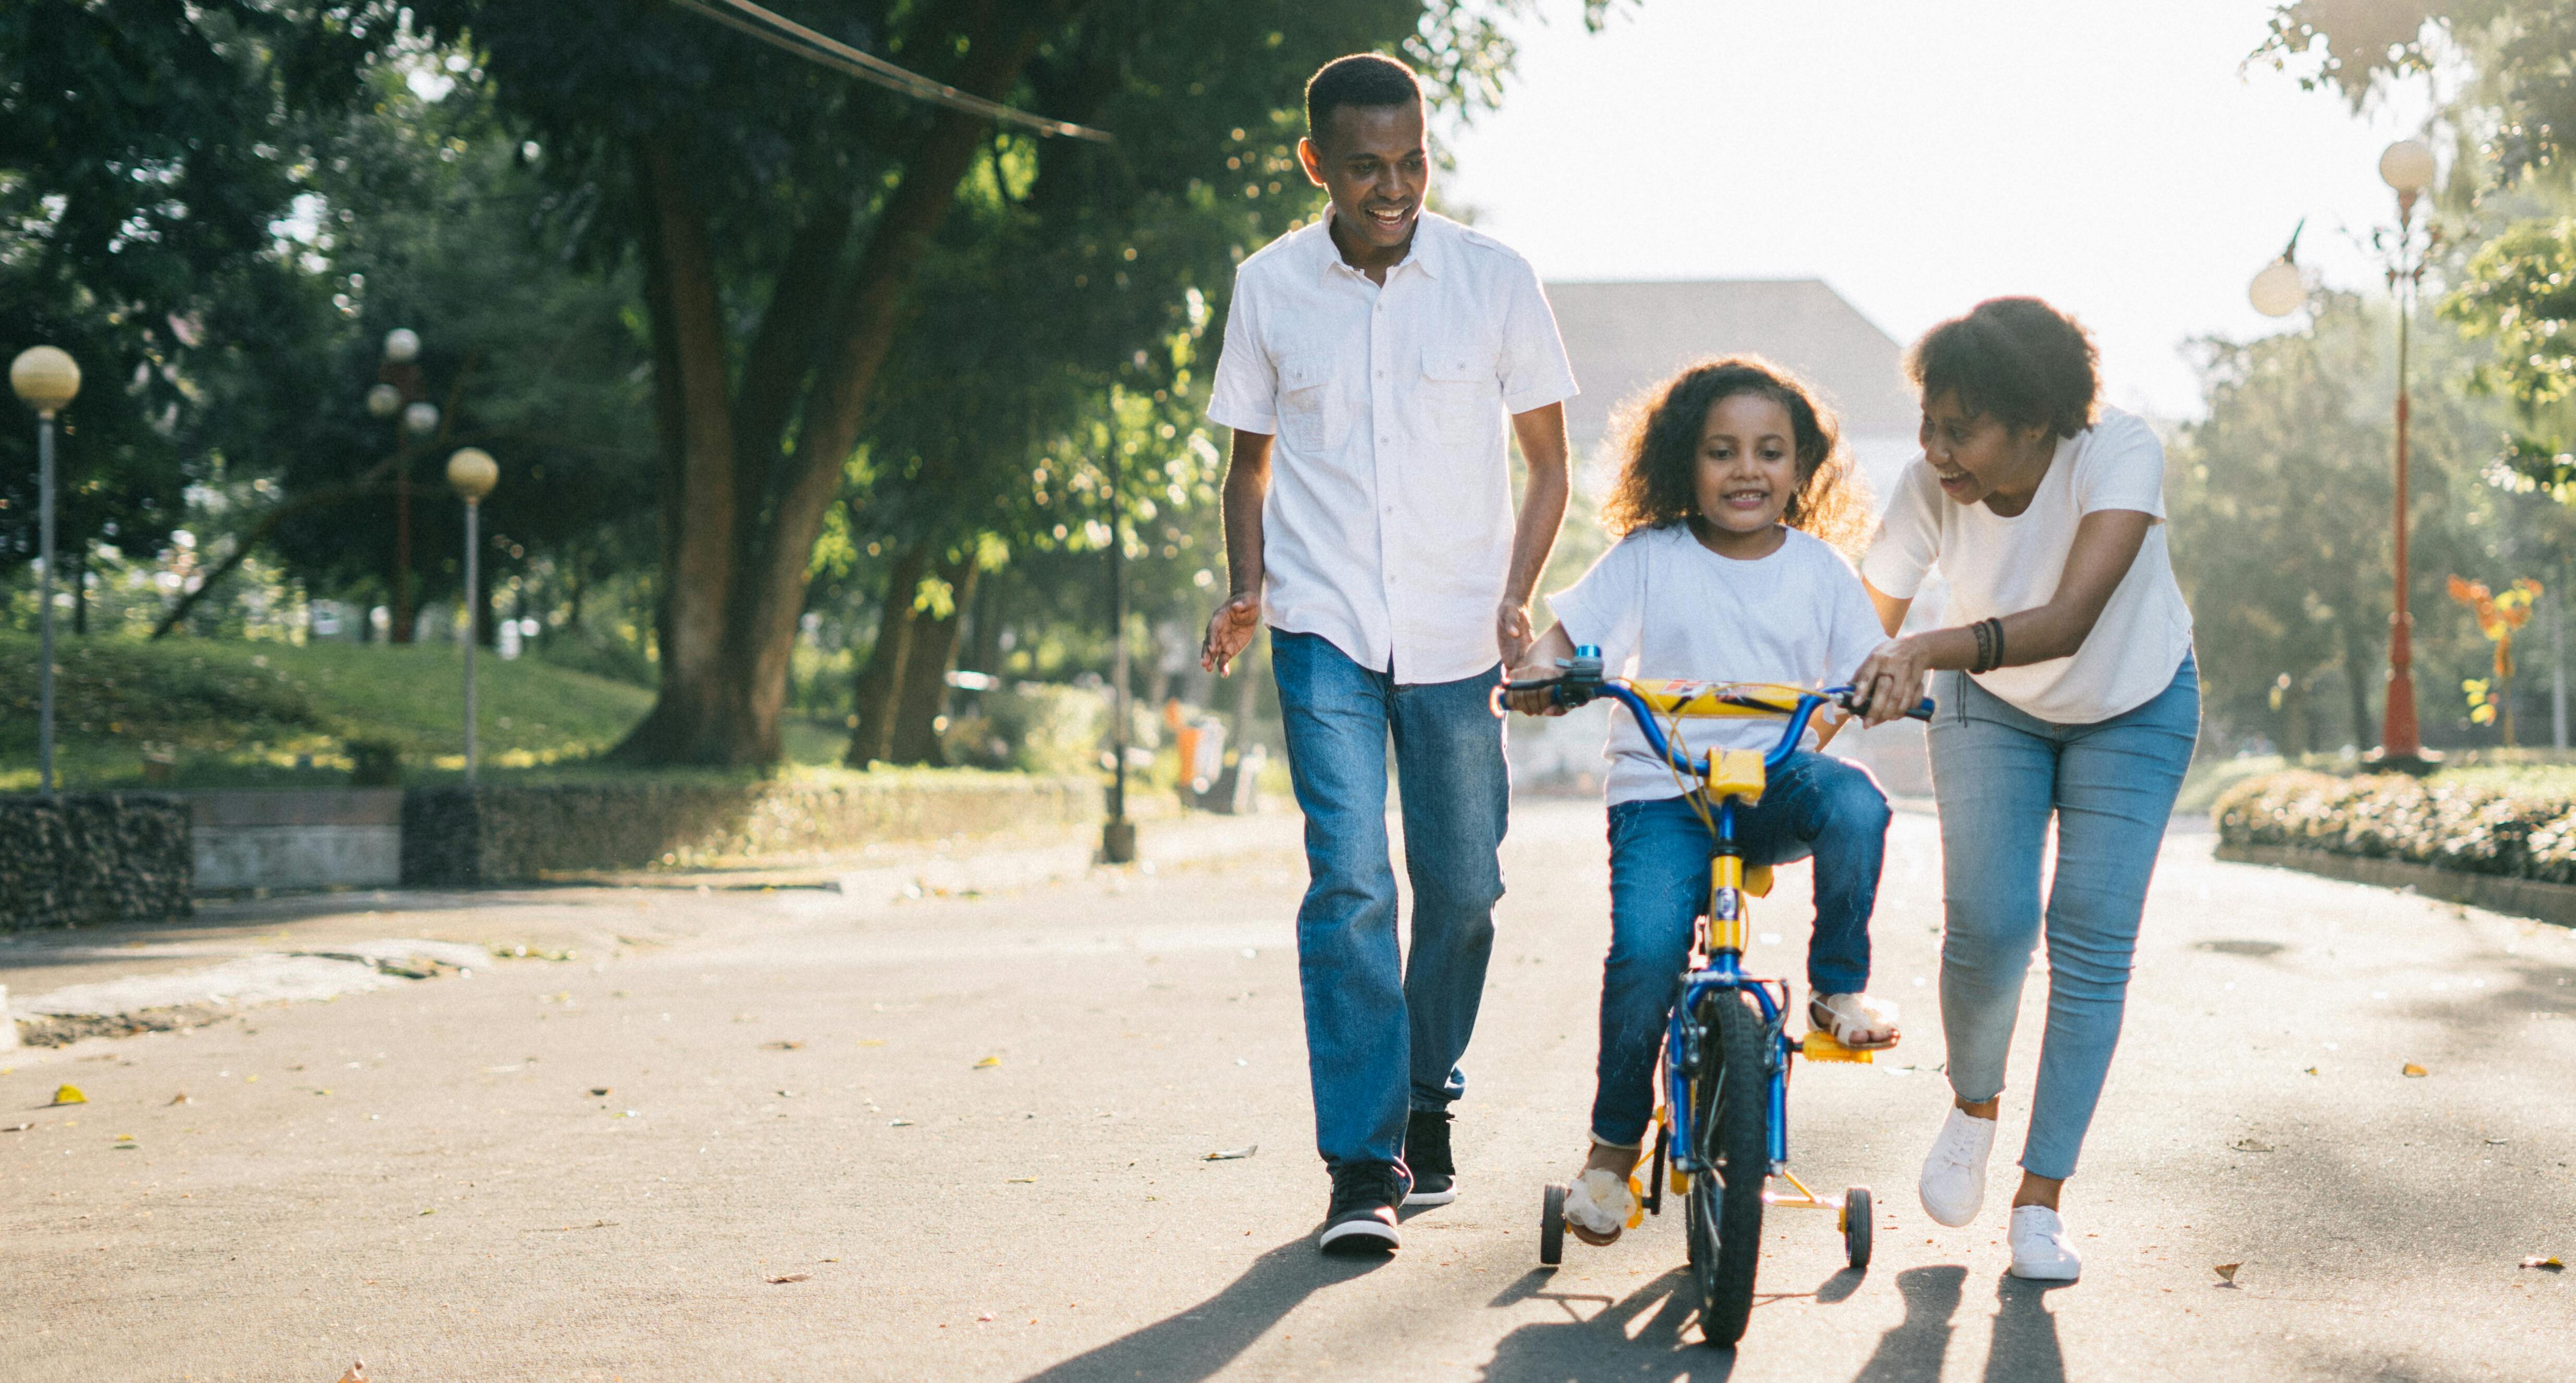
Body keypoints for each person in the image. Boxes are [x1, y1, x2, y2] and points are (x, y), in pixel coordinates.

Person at [1196, 52, 1578, 1254]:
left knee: (1463, 890)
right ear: (1316, 163)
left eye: (1410, 161)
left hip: (1460, 631)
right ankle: (1363, 1164)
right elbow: (1247, 463)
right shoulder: (1267, 287)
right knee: (1352, 881)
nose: (1393, 187)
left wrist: (1518, 596)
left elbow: (1549, 463)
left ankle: (1426, 1095)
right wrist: (1248, 588)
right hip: (1322, 628)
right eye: (1365, 167)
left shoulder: (1493, 279)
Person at [1505, 356, 1898, 1245]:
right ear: (1685, 461)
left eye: (1770, 452)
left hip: (1771, 783)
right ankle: (1610, 1152)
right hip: (1663, 793)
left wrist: (1882, 686)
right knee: (1645, 952)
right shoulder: (1648, 558)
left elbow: (1867, 666)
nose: (1746, 470)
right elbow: (1564, 641)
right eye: (1721, 451)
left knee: (1859, 805)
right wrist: (1540, 673)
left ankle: (1838, 988)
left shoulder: (1822, 571)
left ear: (1801, 470)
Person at [1848, 297, 2199, 1283]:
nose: (1934, 449)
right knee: (1990, 924)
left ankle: (2040, 1199)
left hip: (2133, 700)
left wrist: (1921, 646)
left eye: (1959, 428)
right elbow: (1857, 628)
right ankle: (1971, 1105)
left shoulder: (2116, 453)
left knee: (2089, 937)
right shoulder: (1928, 486)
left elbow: (2072, 617)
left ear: (2036, 421)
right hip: (1989, 706)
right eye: (1928, 422)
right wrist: (1802, 725)